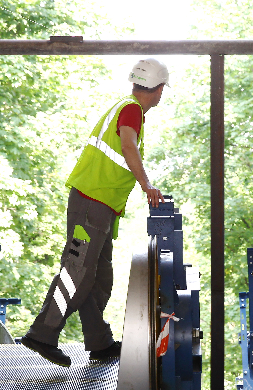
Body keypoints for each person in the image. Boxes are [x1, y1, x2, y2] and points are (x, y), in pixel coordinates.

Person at [21, 58, 169, 367]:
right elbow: (128, 146)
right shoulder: (132, 111)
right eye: (161, 91)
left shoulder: (124, 107)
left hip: (99, 206)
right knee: (77, 271)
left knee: (99, 277)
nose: (160, 96)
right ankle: (42, 334)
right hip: (92, 203)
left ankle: (99, 342)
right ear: (154, 89)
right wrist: (148, 186)